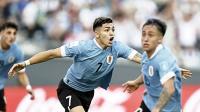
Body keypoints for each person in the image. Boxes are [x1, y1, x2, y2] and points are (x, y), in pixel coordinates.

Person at [8, 17, 191, 112]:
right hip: (69, 89)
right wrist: (25, 62)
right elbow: (52, 53)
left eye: (113, 29)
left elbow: (140, 58)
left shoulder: (117, 47)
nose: (111, 33)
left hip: (88, 93)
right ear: (97, 33)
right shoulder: (82, 47)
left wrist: (170, 68)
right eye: (107, 30)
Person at [123, 18, 187, 112]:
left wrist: (157, 108)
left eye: (150, 35)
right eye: (143, 34)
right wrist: (136, 82)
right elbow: (149, 72)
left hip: (167, 109)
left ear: (160, 39)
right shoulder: (146, 54)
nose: (145, 39)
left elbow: (169, 88)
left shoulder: (163, 59)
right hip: (149, 103)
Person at [0, 22, 34, 112]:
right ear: (1, 33)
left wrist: (28, 87)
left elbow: (21, 74)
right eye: (9, 33)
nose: (12, 36)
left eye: (14, 33)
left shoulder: (17, 52)